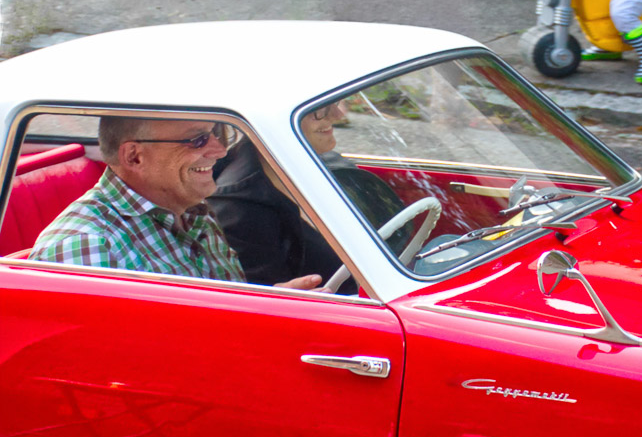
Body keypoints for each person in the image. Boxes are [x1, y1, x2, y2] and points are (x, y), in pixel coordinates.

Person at [29, 115, 321, 291]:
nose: (219, 150)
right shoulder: (86, 247)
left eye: (218, 134)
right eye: (197, 140)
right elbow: (116, 367)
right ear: (134, 157)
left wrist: (273, 303)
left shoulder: (190, 209)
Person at [209, 102, 407, 289]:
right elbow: (268, 302)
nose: (338, 115)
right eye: (317, 110)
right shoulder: (240, 204)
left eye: (333, 103)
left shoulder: (324, 162)